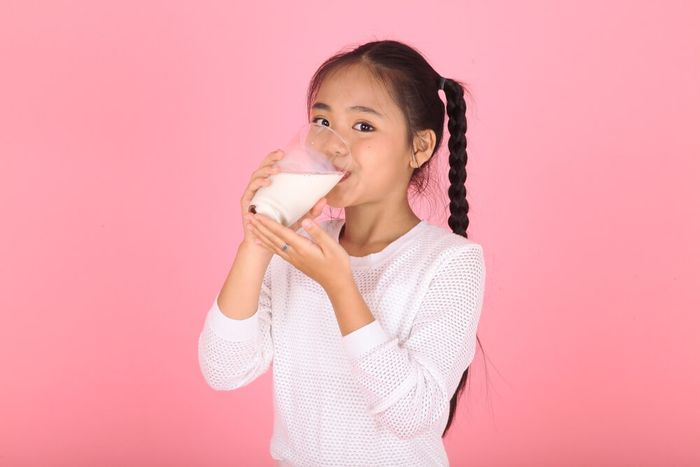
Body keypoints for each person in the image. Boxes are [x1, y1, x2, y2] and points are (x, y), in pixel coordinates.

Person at [198, 39, 486, 466]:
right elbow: (223, 369)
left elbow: (414, 415)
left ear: (420, 148)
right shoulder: (299, 245)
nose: (334, 145)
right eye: (322, 121)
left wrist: (340, 286)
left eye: (364, 127)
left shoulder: (450, 263)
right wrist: (257, 243)